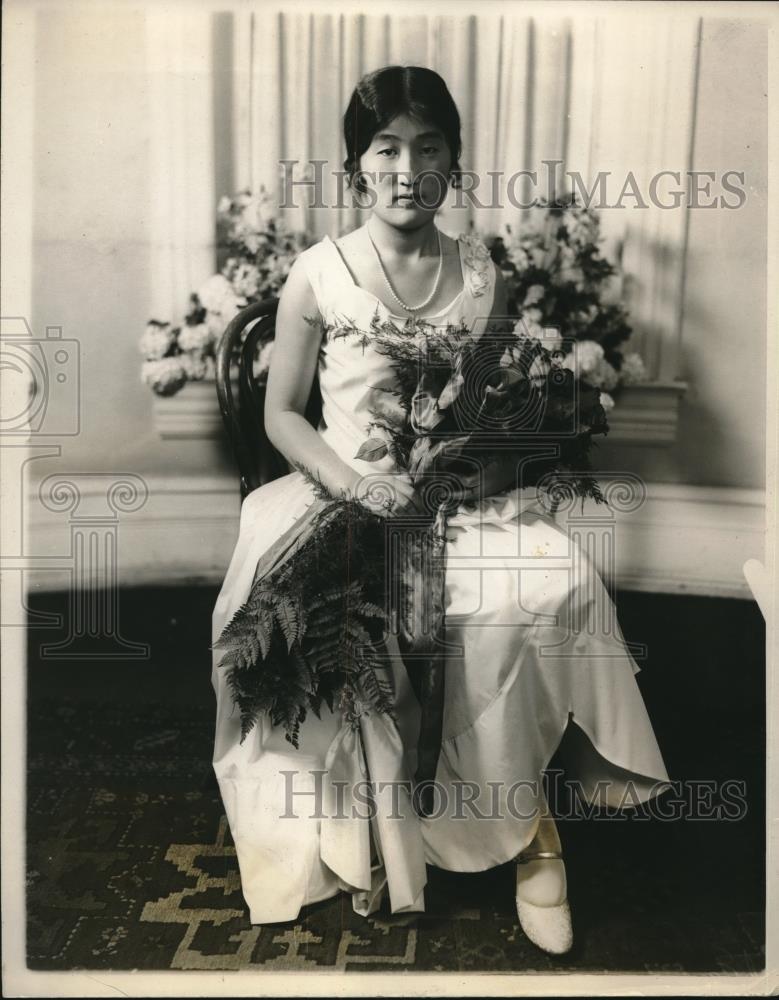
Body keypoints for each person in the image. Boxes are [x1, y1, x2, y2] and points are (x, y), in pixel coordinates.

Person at [211, 64, 672, 956]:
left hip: (450, 496)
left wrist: (484, 462)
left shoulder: (477, 268)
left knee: (542, 592)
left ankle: (522, 818)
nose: (406, 167)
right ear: (357, 164)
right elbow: (281, 414)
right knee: (377, 621)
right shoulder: (320, 272)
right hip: (341, 494)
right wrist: (352, 483)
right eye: (386, 147)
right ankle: (390, 822)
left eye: (428, 147)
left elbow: (481, 404)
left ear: (453, 162)